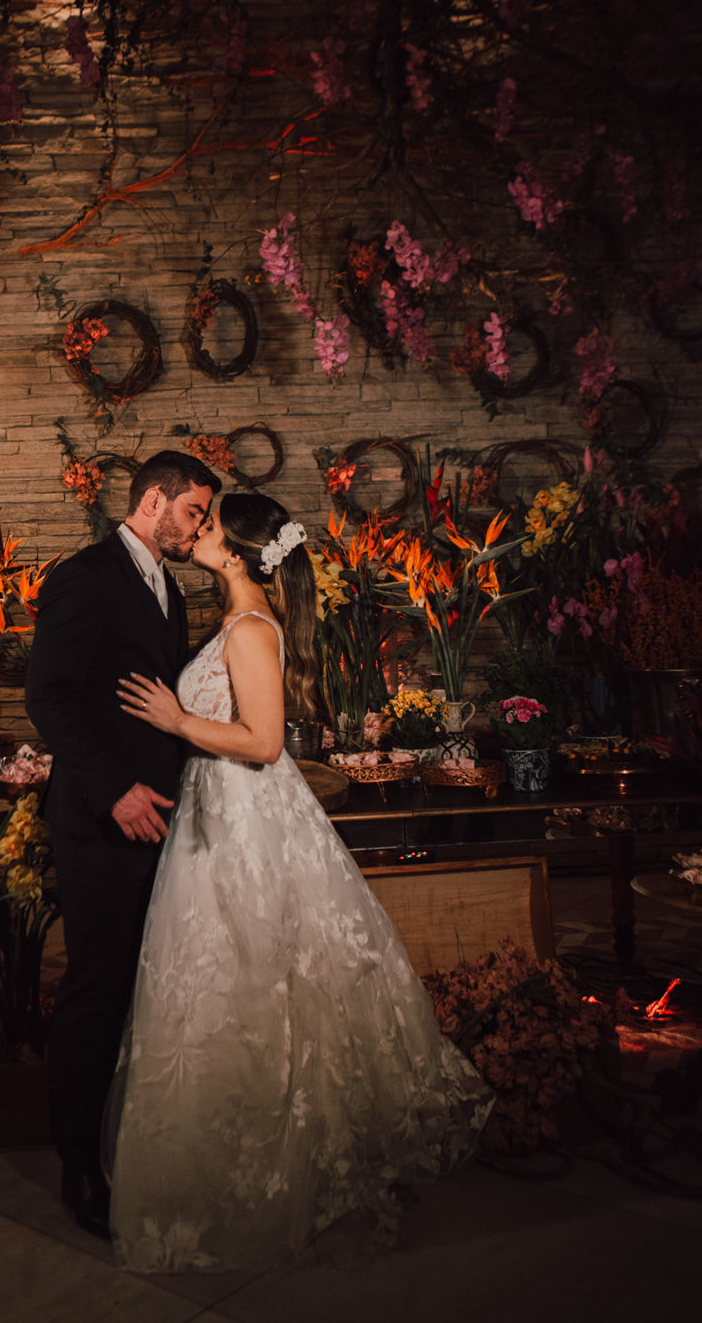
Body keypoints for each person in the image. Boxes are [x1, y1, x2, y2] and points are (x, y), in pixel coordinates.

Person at [106, 491, 493, 1272]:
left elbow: (262, 742)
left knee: (259, 978)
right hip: (216, 818)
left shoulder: (250, 629)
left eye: (211, 525)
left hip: (245, 818)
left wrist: (175, 722)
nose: (197, 530)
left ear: (243, 554)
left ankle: (279, 1154)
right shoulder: (231, 621)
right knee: (235, 983)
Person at [24, 448, 220, 1238]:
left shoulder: (163, 585)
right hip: (102, 822)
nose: (198, 527)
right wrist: (112, 789)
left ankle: (122, 1138)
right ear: (152, 501)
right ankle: (78, 1167)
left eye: (203, 516)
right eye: (194, 512)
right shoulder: (85, 575)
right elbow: (48, 696)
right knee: (96, 989)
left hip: (156, 820)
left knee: (141, 990)